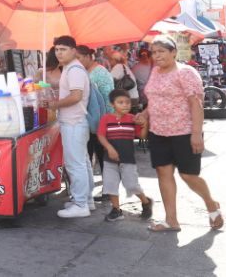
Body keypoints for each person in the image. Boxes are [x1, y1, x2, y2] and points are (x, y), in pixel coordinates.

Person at [135, 35, 222, 232]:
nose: (156, 56)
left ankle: (210, 203)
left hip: (183, 132)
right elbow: (155, 99)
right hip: (158, 132)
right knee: (163, 174)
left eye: (161, 51)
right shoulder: (155, 71)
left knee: (188, 175)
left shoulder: (185, 72)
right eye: (154, 52)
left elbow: (196, 103)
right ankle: (171, 220)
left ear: (173, 52)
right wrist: (145, 113)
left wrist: (197, 133)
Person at [48, 35, 94, 218]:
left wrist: (55, 105)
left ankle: (81, 204)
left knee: (75, 165)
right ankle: (86, 200)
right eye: (57, 49)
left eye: (63, 49)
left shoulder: (74, 69)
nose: (59, 53)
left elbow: (76, 96)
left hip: (74, 122)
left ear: (73, 51)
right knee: (82, 163)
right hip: (76, 121)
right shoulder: (70, 68)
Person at [97, 89, 154, 222]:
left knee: (132, 185)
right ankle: (116, 209)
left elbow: (142, 136)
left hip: (128, 159)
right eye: (120, 102)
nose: (125, 105)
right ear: (112, 104)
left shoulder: (132, 119)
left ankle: (146, 202)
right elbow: (101, 135)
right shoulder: (106, 119)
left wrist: (145, 124)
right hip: (109, 160)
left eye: (127, 102)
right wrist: (109, 148)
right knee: (110, 185)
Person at [76, 45, 115, 181]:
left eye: (78, 58)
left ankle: (109, 190)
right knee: (89, 153)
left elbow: (109, 100)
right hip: (90, 121)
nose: (76, 61)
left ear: (88, 57)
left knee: (102, 156)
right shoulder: (84, 72)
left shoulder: (100, 73)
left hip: (101, 122)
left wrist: (107, 124)